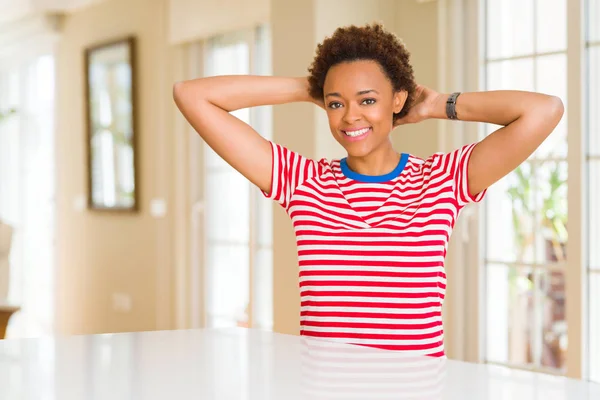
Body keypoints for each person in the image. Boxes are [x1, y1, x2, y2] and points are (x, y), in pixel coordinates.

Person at [173, 23, 564, 357]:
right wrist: (311, 86)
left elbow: (544, 110)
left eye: (368, 100)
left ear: (397, 99)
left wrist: (436, 104)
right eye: (336, 103)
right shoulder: (302, 181)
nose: (351, 116)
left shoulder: (442, 179)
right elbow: (191, 94)